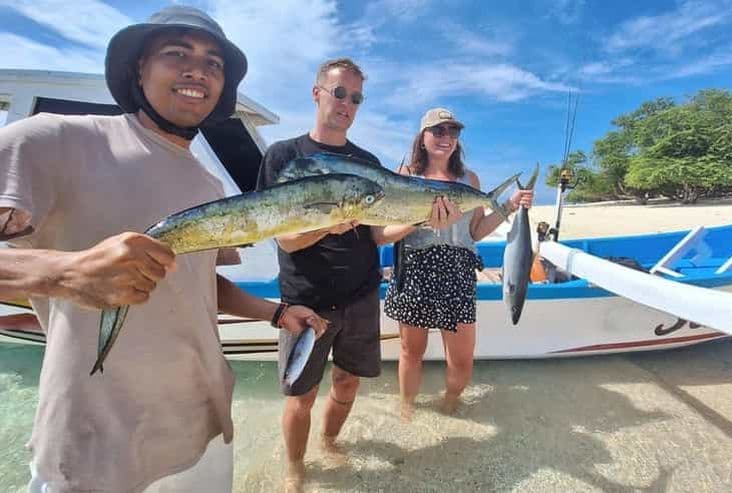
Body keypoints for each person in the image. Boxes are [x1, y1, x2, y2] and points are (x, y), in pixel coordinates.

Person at [0, 6, 326, 492]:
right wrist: (62, 272)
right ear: (139, 68)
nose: (198, 70)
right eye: (177, 53)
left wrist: (276, 314)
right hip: (94, 447)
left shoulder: (209, 183)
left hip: (204, 429)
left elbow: (196, 282)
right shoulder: (52, 139)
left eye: (214, 63)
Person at [256, 58, 451, 493]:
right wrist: (330, 221)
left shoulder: (366, 161)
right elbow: (284, 239)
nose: (347, 103)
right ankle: (294, 469)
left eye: (356, 98)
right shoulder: (283, 156)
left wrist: (423, 221)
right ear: (317, 93)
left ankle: (328, 442)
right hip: (305, 299)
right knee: (300, 395)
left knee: (346, 384)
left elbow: (378, 233)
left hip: (361, 295)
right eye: (339, 93)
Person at [381, 107, 533, 419]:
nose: (446, 137)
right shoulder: (405, 176)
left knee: (462, 359)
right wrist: (421, 221)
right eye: (438, 131)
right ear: (422, 137)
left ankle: (450, 404)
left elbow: (475, 231)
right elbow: (385, 234)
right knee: (412, 352)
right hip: (415, 269)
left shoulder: (470, 178)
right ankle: (407, 408)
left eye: (453, 132)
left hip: (458, 271)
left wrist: (510, 205)